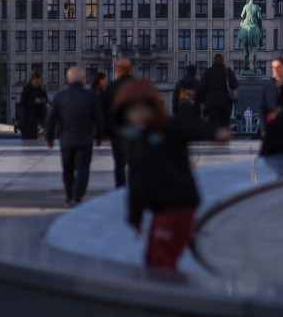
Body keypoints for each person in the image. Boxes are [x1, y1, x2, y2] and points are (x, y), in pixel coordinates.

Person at [111, 78, 231, 269]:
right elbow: (136, 182)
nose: (140, 115)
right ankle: (164, 292)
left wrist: (216, 131)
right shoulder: (136, 143)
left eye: (145, 108)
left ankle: (168, 294)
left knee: (162, 258)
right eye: (133, 110)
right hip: (160, 208)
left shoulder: (168, 128)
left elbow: (194, 127)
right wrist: (135, 216)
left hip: (179, 203)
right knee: (152, 258)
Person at [44, 67, 106, 207]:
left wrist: (49, 138)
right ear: (83, 80)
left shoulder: (60, 96)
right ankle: (77, 197)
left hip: (66, 139)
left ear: (67, 79)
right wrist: (100, 137)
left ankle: (69, 195)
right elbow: (99, 119)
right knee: (83, 168)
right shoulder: (91, 96)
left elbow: (51, 119)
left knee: (68, 169)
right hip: (85, 138)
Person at [101, 58, 133, 189]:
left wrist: (105, 132)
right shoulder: (138, 86)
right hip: (135, 131)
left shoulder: (111, 88)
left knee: (119, 165)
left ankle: (120, 190)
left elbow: (105, 112)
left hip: (117, 132)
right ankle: (135, 190)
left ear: (117, 71)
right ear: (130, 70)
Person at [198, 54, 239, 128]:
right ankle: (223, 137)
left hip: (211, 102)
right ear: (223, 61)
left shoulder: (208, 72)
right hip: (225, 101)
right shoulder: (227, 71)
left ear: (214, 61)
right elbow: (235, 84)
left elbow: (202, 88)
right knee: (224, 123)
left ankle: (213, 137)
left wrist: (202, 101)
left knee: (213, 122)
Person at [19, 71, 48, 140]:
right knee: (29, 137)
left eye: (39, 82)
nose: (37, 84)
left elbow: (46, 99)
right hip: (29, 118)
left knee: (41, 137)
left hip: (40, 117)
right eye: (36, 82)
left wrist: (43, 101)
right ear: (32, 80)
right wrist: (34, 101)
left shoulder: (41, 88)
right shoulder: (27, 89)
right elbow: (23, 102)